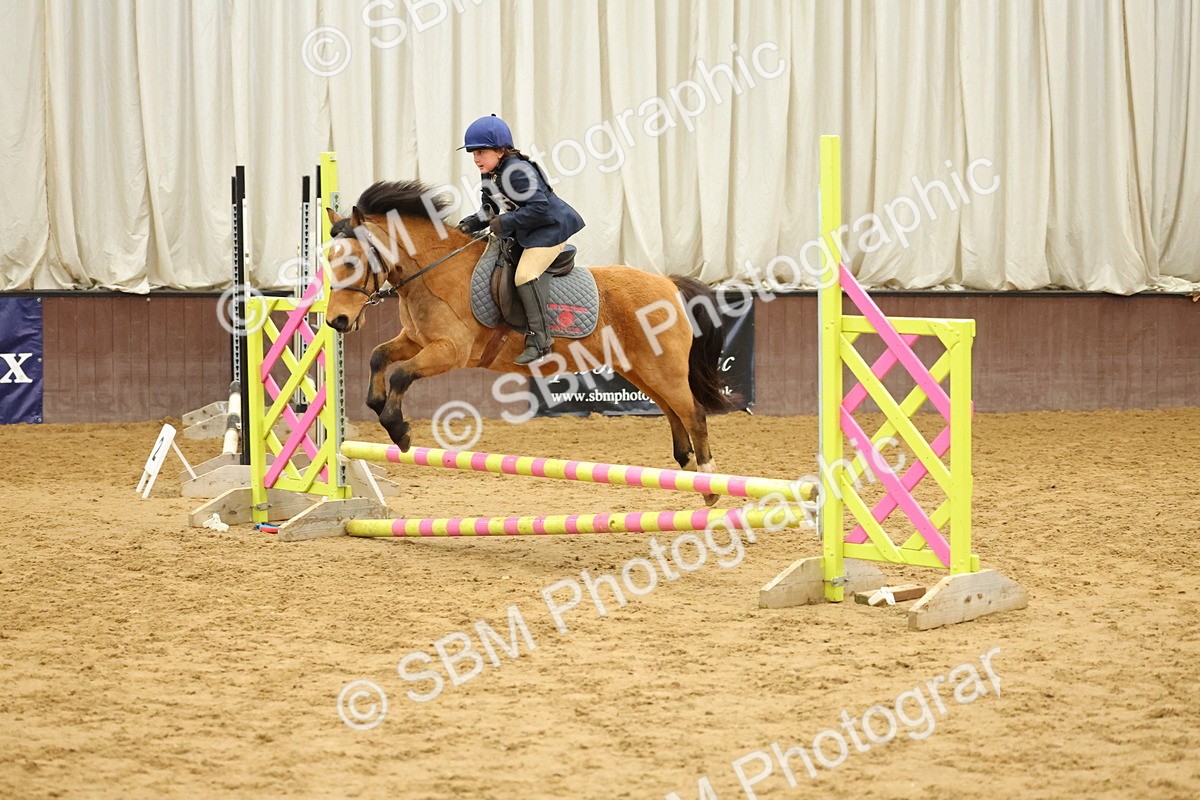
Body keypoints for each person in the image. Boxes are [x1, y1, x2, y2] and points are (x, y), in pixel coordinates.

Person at [456, 115, 585, 365]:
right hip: (527, 230)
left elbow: (540, 208)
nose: (476, 159)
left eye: (481, 152)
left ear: (501, 150)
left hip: (550, 230)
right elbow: (489, 210)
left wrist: (505, 223)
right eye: (473, 153)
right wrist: (469, 223)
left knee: (525, 276)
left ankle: (540, 341)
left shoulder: (518, 171)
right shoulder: (490, 174)